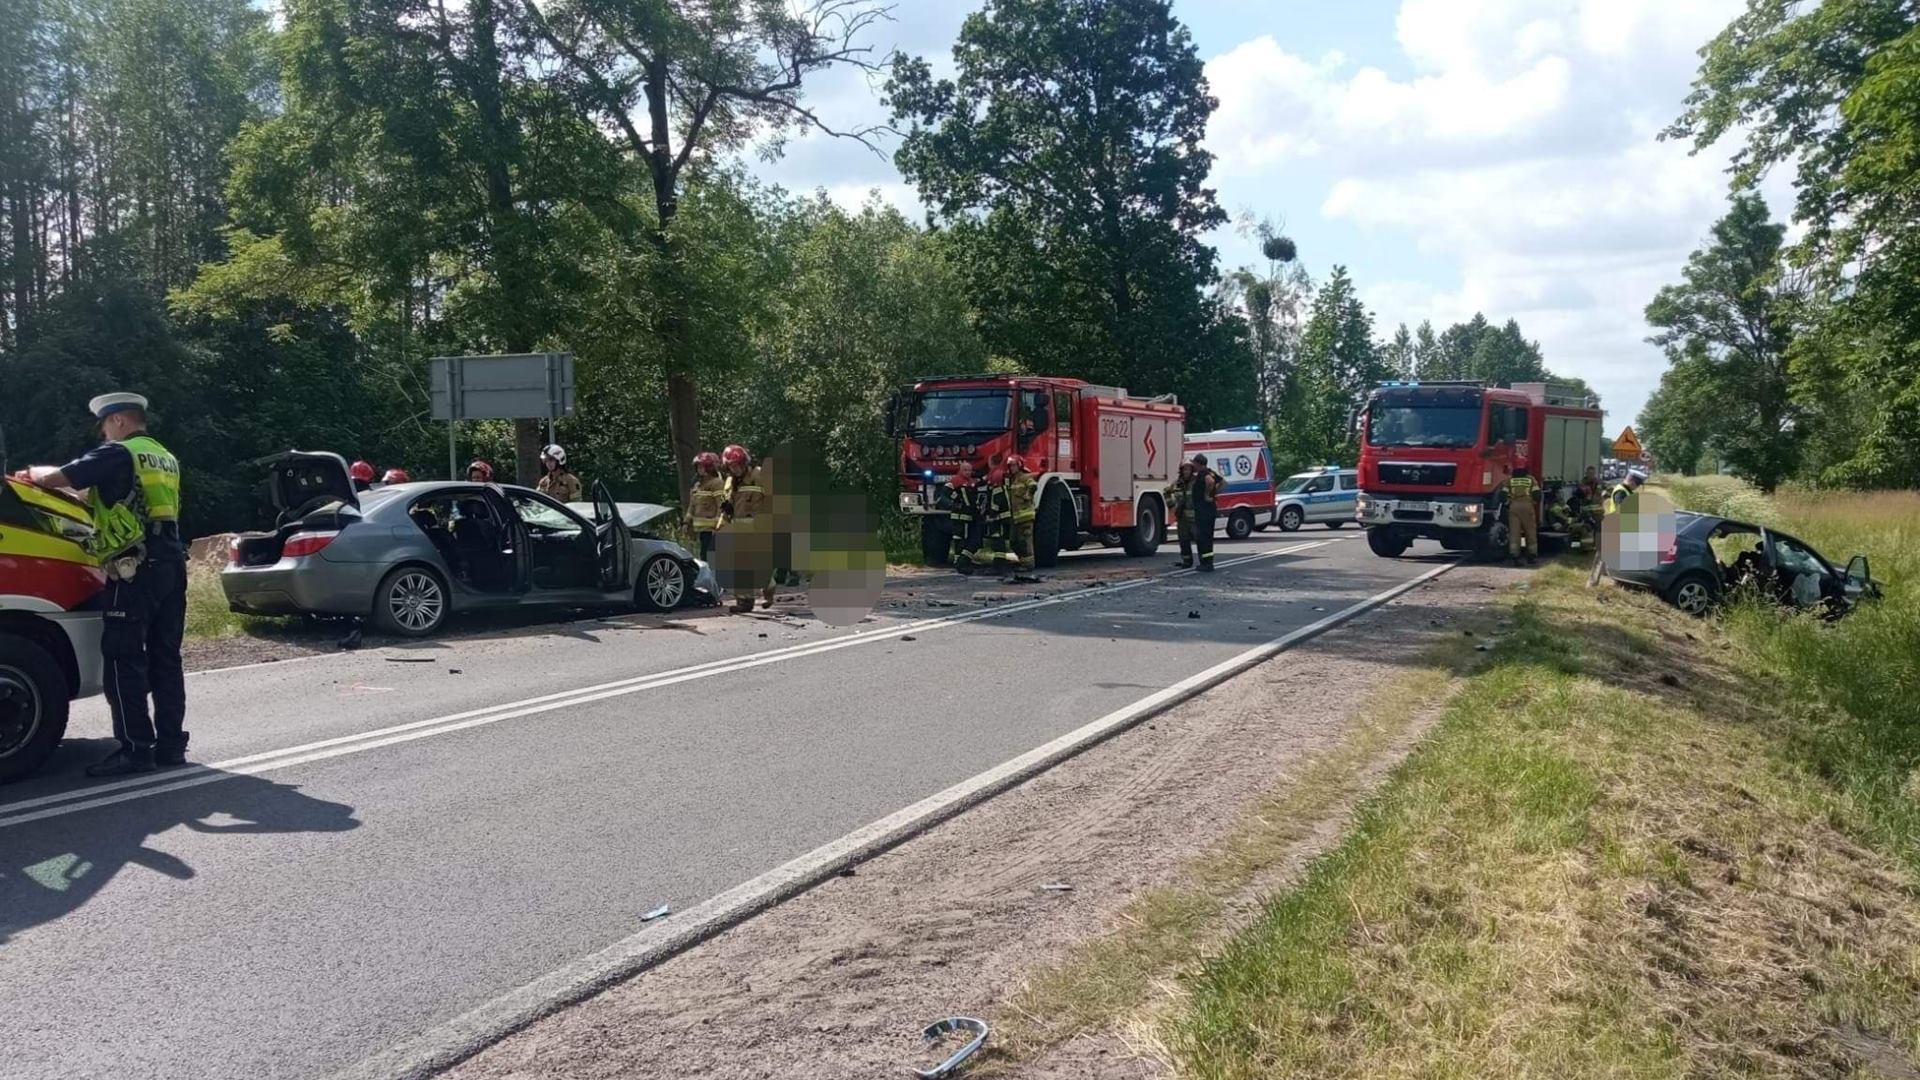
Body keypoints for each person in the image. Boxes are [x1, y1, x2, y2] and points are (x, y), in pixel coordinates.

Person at [22, 393, 187, 776]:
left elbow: (57, 478)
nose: (104, 435)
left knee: (122, 656)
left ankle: (135, 749)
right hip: (171, 564)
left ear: (117, 422)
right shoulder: (165, 457)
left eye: (105, 427)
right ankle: (171, 745)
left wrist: (32, 475)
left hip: (136, 567)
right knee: (166, 657)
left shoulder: (119, 453)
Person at [717, 443, 769, 612]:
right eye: (732, 465)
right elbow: (727, 507)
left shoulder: (759, 475)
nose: (736, 468)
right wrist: (720, 526)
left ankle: (768, 587)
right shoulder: (730, 483)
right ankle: (744, 602)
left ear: (745, 463)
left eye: (738, 464)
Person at [1587, 469, 1647, 586]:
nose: (1637, 487)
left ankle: (1615, 581)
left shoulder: (1627, 491)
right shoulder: (1621, 492)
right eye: (1637, 484)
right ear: (1631, 481)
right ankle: (1592, 583)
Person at [938, 461, 981, 571]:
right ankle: (959, 562)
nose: (967, 472)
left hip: (970, 517)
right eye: (965, 470)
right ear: (960, 470)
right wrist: (953, 504)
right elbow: (942, 496)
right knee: (959, 539)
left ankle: (964, 561)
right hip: (959, 517)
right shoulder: (955, 481)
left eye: (969, 470)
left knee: (968, 539)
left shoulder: (972, 482)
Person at [1187, 453, 1225, 572]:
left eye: (1194, 463)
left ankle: (1206, 564)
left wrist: (1207, 494)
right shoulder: (1211, 471)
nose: (1193, 465)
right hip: (1209, 510)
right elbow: (1224, 482)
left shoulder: (1203, 473)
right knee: (1208, 537)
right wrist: (1214, 493)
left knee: (1203, 537)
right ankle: (1208, 562)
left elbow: (1210, 482)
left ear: (1198, 463)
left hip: (1203, 511)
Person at [687, 451, 725, 561]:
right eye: (698, 467)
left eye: (702, 466)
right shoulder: (697, 486)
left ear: (710, 467)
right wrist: (686, 522)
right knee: (704, 558)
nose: (699, 469)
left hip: (713, 531)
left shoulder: (717, 483)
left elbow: (721, 506)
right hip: (702, 531)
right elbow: (692, 506)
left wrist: (718, 527)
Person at [1005, 454, 1039, 576]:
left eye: (1013, 465)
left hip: (1025, 517)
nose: (1011, 468)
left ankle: (1028, 565)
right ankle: (1022, 561)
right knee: (1013, 542)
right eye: (1010, 466)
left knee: (1025, 541)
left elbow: (1033, 485)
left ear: (1019, 465)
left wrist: (1029, 495)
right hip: (1015, 518)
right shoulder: (1012, 480)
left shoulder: (1025, 477)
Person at [1505, 466, 1540, 566]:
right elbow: (1537, 494)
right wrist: (1535, 501)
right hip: (1527, 506)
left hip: (1514, 507)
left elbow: (1502, 495)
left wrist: (1508, 503)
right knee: (1530, 531)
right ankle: (1531, 556)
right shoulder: (1530, 479)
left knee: (1514, 533)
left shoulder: (1509, 480)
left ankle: (1515, 556)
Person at [1165, 462, 1195, 568]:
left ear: (1192, 470)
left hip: (1195, 518)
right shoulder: (1177, 483)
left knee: (1200, 540)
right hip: (1182, 518)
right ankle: (1187, 561)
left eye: (1188, 469)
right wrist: (1171, 505)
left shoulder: (1196, 482)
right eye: (1184, 469)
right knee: (1183, 540)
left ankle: (1204, 561)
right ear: (1181, 470)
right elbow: (1166, 492)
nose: (1186, 471)